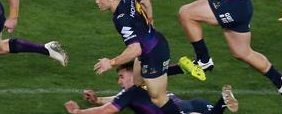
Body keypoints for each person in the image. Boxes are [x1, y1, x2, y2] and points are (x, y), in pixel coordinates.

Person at [93, 0, 185, 114]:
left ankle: (180, 70)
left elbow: (135, 50)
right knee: (137, 82)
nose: (96, 1)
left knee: (158, 99)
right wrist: (150, 20)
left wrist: (111, 63)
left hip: (153, 55)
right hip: (155, 42)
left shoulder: (121, 19)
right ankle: (177, 69)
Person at [64, 62, 238, 113]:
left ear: (133, 74)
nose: (119, 81)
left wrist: (78, 112)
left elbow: (108, 110)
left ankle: (222, 102)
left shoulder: (133, 92)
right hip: (192, 104)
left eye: (121, 77)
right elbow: (114, 99)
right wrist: (96, 100)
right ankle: (222, 102)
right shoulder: (151, 78)